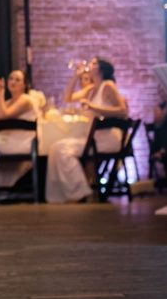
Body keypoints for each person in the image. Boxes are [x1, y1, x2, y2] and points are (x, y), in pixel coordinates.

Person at [46, 57, 128, 203]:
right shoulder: (91, 89)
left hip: (107, 138)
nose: (90, 65)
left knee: (63, 151)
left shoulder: (107, 85)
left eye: (94, 63)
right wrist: (75, 76)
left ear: (101, 69)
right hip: (93, 138)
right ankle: (70, 193)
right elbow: (68, 98)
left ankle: (82, 192)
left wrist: (92, 107)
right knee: (55, 148)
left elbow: (122, 111)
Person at [0, 70, 42, 190]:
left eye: (17, 80)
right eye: (10, 78)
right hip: (8, 140)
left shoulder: (26, 100)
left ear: (24, 84)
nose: (12, 82)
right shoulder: (7, 102)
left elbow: (3, 116)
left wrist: (1, 92)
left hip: (22, 143)